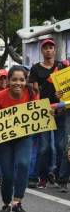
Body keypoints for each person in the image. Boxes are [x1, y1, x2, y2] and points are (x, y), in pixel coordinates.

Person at [0, 65, 39, 212]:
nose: (18, 83)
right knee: (7, 174)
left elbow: (37, 114)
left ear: (26, 81)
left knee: (24, 164)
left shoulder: (32, 94)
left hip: (24, 137)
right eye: (14, 80)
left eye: (22, 80)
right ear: (8, 81)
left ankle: (17, 202)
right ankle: (6, 203)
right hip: (4, 141)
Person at [29, 38, 68, 189]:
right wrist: (42, 108)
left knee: (61, 146)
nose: (48, 50)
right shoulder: (35, 69)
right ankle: (43, 176)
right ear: (41, 50)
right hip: (44, 112)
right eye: (45, 47)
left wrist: (62, 97)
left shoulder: (62, 66)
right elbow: (35, 91)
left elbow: (67, 86)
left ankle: (59, 176)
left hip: (61, 110)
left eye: (51, 47)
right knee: (44, 148)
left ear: (55, 49)